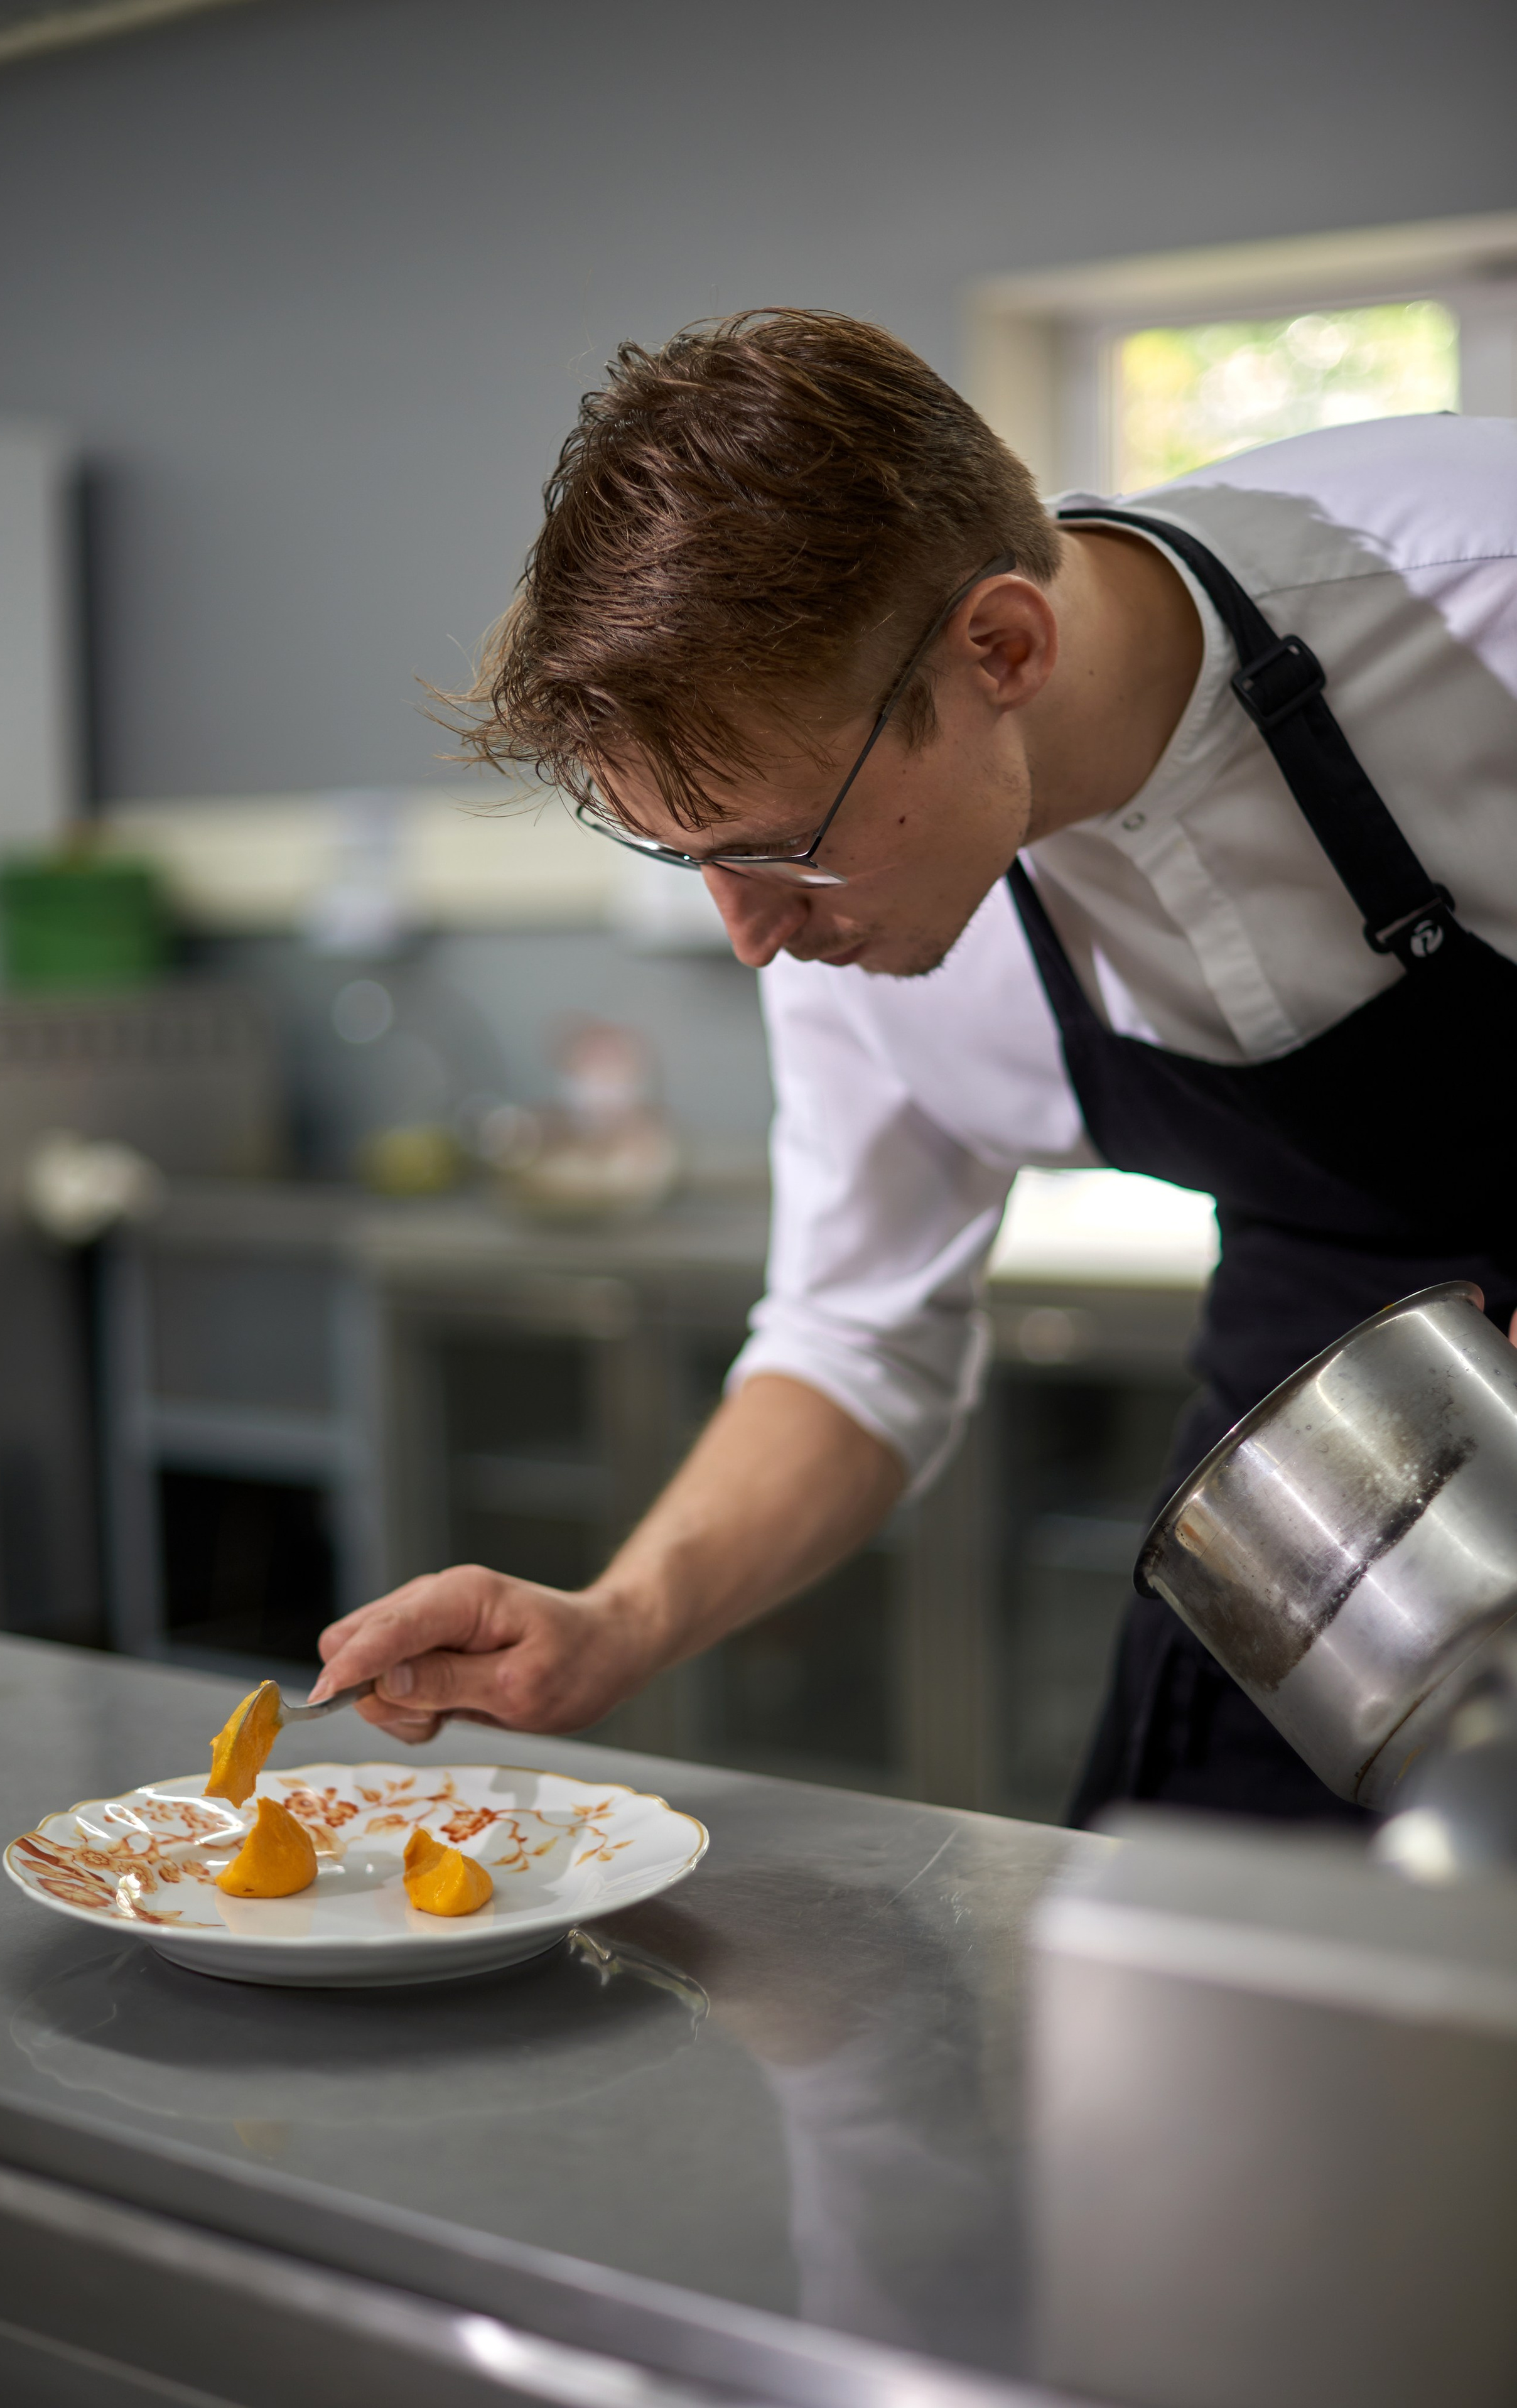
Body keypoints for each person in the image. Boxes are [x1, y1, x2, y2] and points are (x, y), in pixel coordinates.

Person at [310, 308, 1517, 1824]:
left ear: (1000, 648)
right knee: (1191, 1983)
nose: (748, 937)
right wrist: (619, 1620)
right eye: (690, 859)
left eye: (775, 852)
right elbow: (851, 1341)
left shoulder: (1480, 592)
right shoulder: (855, 938)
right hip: (1326, 1421)